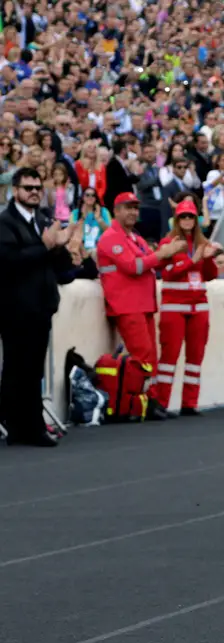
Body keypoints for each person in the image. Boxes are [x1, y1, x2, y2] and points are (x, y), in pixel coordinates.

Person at [0, 167, 78, 446]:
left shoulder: (44, 220)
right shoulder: (5, 222)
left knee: (33, 370)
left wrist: (61, 246)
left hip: (42, 306)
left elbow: (61, 267)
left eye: (37, 188)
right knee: (18, 368)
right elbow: (8, 261)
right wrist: (43, 246)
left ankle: (25, 427)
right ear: (15, 191)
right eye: (28, 188)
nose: (34, 192)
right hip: (14, 308)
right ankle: (24, 428)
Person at [96, 192, 187, 421]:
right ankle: (138, 404)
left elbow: (151, 262)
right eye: (128, 207)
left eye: (135, 208)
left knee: (150, 356)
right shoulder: (110, 238)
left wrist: (170, 253)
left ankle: (151, 402)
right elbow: (133, 267)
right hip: (126, 305)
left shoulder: (135, 238)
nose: (133, 212)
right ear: (116, 211)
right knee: (142, 356)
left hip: (142, 304)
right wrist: (163, 254)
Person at [155, 200, 221, 416]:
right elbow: (167, 273)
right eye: (183, 216)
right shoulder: (168, 243)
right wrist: (193, 260)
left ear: (196, 220)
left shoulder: (202, 243)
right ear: (176, 219)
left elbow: (210, 275)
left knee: (195, 358)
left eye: (190, 216)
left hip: (199, 307)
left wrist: (209, 259)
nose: (187, 220)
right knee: (169, 357)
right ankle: (161, 403)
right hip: (174, 307)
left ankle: (190, 403)